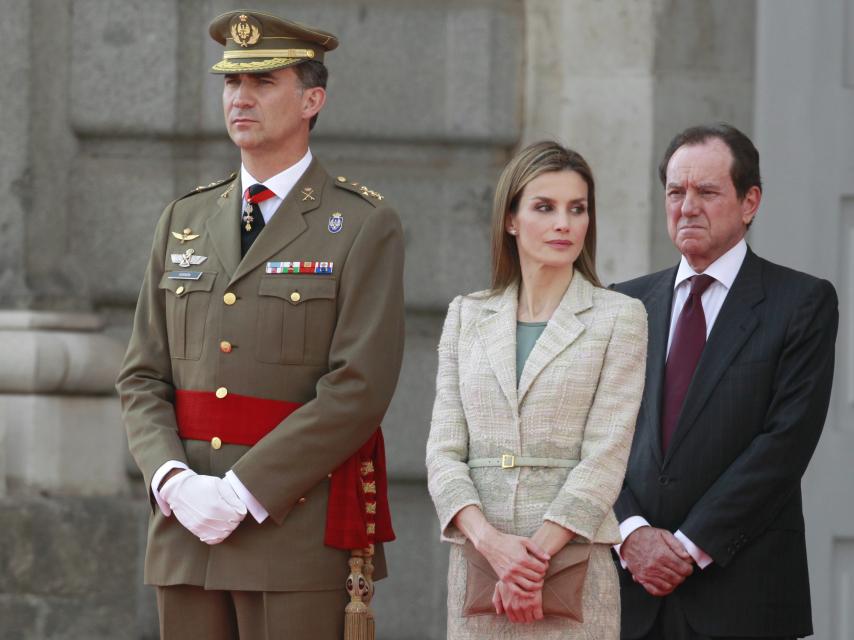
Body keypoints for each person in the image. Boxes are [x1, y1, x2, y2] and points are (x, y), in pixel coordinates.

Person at [116, 10, 404, 640]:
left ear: (312, 99)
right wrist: (170, 480)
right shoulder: (184, 217)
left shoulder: (360, 223)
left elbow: (359, 387)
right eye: (230, 84)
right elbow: (141, 375)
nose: (240, 98)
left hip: (290, 532)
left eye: (263, 82)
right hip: (185, 529)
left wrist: (243, 491)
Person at [613, 123, 838, 640]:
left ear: (749, 201)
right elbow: (594, 436)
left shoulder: (801, 303)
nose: (687, 206)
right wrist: (632, 535)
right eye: (676, 192)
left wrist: (687, 546)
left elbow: (784, 443)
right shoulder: (624, 304)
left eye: (707, 191)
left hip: (742, 595)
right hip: (630, 598)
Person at [426, 141, 648, 639]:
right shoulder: (466, 314)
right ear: (510, 220)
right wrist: (491, 545)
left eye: (577, 209)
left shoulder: (620, 316)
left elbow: (607, 457)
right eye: (544, 207)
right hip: (478, 568)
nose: (564, 223)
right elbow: (442, 452)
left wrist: (531, 561)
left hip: (573, 566)